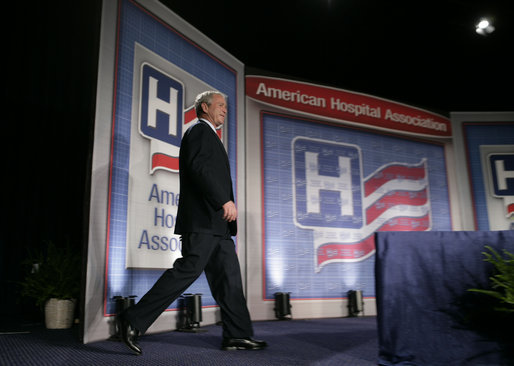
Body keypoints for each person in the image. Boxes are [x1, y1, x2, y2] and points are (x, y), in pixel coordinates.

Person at [118, 91, 266, 355]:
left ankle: (237, 335)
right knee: (187, 271)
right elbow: (200, 168)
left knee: (230, 281)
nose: (225, 110)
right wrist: (224, 200)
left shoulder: (210, 135)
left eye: (225, 106)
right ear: (204, 107)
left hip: (218, 227)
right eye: (220, 105)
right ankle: (132, 320)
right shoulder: (198, 131)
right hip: (203, 222)